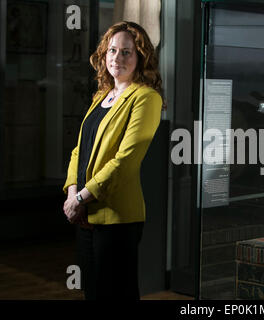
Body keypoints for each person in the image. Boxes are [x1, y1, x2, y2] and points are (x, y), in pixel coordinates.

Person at [62, 21, 163, 300]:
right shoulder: (101, 96)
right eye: (112, 50)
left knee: (117, 294)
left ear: (140, 57)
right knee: (93, 293)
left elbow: (126, 160)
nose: (117, 58)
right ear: (104, 54)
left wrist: (81, 198)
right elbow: (78, 151)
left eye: (127, 52)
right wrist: (73, 194)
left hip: (116, 217)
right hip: (86, 215)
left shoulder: (146, 98)